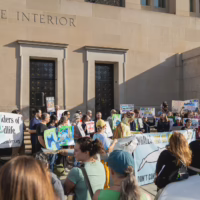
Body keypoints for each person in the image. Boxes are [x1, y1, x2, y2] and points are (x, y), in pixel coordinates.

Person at [93, 119, 118, 189]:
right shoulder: (103, 136)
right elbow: (109, 149)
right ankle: (106, 187)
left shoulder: (95, 135)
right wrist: (114, 142)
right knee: (106, 175)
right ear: (104, 126)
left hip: (99, 158)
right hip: (105, 159)